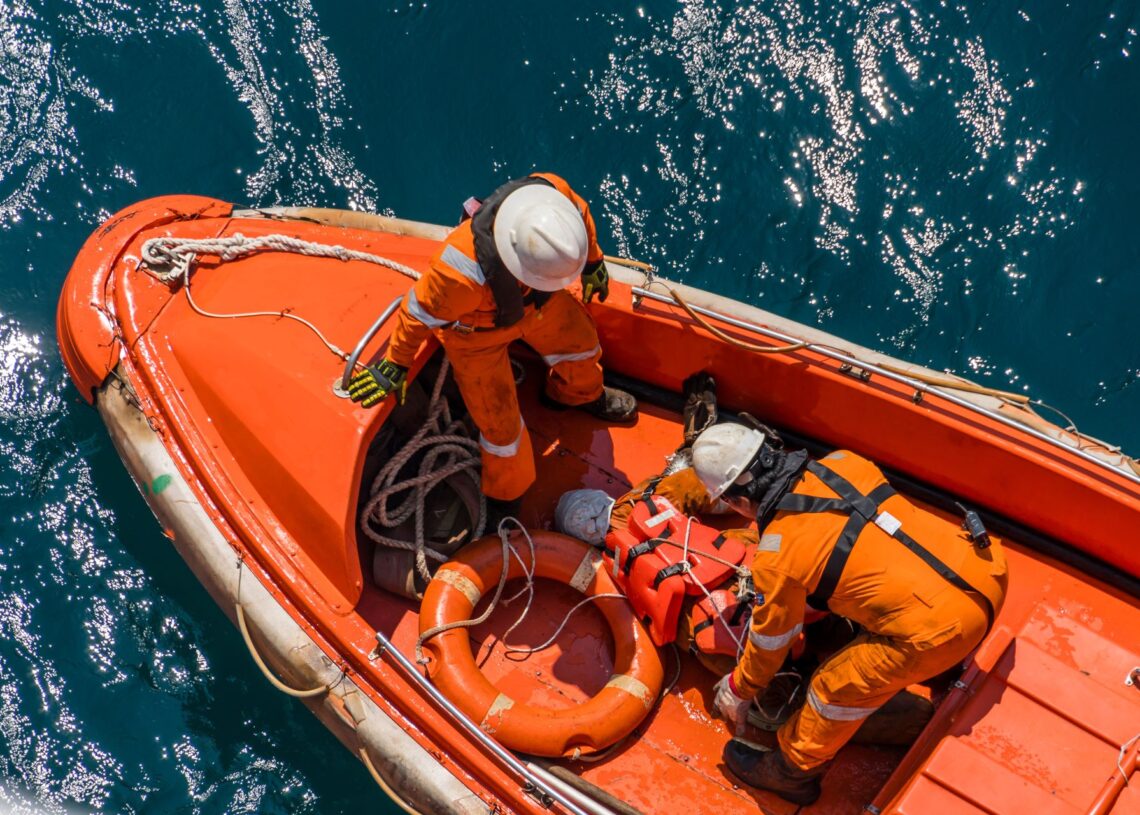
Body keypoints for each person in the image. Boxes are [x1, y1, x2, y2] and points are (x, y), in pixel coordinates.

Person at [689, 422, 1009, 805]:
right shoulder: (846, 461)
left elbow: (770, 643)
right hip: (985, 571)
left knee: (831, 686)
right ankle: (940, 666)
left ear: (737, 502)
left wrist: (739, 689)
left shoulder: (777, 556)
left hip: (941, 631)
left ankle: (791, 772)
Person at [348, 173, 637, 517]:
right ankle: (506, 496)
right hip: (476, 339)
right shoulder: (459, 273)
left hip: (536, 305)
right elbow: (418, 312)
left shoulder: (553, 195)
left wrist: (593, 262)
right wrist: (396, 362)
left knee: (582, 346)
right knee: (502, 432)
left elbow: (582, 213)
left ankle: (575, 396)